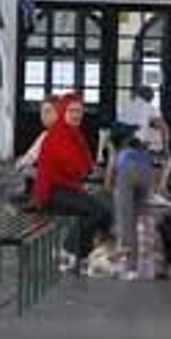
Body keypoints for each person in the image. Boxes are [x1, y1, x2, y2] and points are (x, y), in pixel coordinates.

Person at [32, 94, 112, 269]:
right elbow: (74, 167)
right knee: (94, 212)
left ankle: (91, 250)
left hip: (67, 188)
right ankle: (70, 252)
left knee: (106, 208)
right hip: (51, 193)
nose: (77, 115)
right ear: (63, 112)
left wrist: (87, 171)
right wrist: (86, 172)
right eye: (72, 111)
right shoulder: (58, 134)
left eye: (80, 111)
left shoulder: (73, 133)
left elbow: (87, 163)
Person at [106, 134, 155, 281]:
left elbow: (109, 178)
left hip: (127, 173)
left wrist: (109, 186)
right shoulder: (144, 154)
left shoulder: (121, 153)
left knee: (126, 221)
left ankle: (129, 268)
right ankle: (143, 264)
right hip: (146, 174)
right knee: (140, 220)